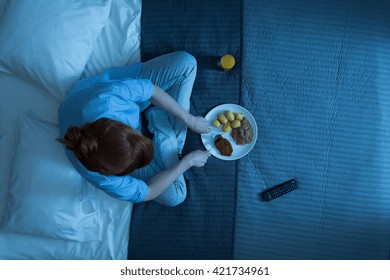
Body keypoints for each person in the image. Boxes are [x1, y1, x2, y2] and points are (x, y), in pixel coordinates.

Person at [58, 51, 211, 207]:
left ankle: (165, 131)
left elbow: (151, 90)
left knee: (186, 62)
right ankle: (164, 128)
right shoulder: (105, 179)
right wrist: (186, 162)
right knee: (175, 196)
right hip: (107, 140)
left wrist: (189, 119)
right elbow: (149, 192)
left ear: (122, 125)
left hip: (104, 96)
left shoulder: (109, 99)